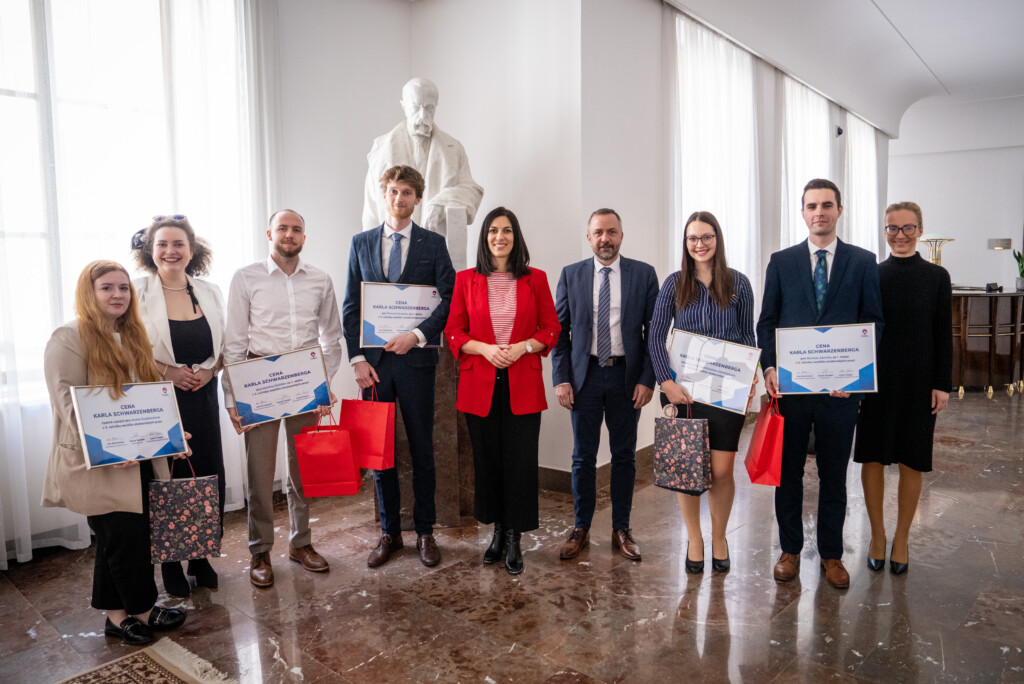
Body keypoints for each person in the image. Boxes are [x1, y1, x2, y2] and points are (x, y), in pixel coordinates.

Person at [43, 260, 187, 645]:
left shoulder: (134, 334)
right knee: (122, 538)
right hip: (101, 461)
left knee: (127, 537)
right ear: (89, 293)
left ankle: (116, 615)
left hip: (139, 457)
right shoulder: (68, 337)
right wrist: (110, 448)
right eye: (107, 287)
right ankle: (141, 610)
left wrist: (171, 433)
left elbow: (149, 397)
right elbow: (67, 404)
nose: (117, 294)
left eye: (124, 288)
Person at [756, 179, 884, 589]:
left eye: (827, 205)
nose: (819, 212)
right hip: (791, 391)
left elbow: (874, 322)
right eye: (812, 206)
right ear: (803, 212)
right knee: (787, 473)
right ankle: (789, 550)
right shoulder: (781, 262)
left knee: (833, 475)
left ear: (839, 210)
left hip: (840, 393)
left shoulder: (863, 262)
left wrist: (857, 375)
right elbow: (767, 322)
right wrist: (770, 368)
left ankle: (831, 554)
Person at [343, 165, 456, 568]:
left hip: (417, 362)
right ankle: (389, 533)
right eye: (393, 190)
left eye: (407, 192)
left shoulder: (434, 244)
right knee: (379, 453)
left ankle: (425, 531)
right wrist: (357, 359)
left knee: (423, 448)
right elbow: (352, 306)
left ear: (417, 198)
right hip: (374, 367)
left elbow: (449, 297)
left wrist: (418, 335)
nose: (399, 198)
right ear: (384, 194)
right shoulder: (360, 243)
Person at [222, 209, 342, 588]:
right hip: (260, 384)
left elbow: (332, 338)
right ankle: (259, 551)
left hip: (305, 382)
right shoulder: (246, 277)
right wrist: (232, 397)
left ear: (304, 237)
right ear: (269, 233)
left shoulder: (320, 279)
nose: (289, 234)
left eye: (297, 229)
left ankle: (300, 543)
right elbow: (234, 342)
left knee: (302, 468)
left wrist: (324, 383)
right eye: (283, 228)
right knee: (259, 473)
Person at [445, 207, 560, 574]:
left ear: (516, 236)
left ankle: (514, 538)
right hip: (479, 386)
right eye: (493, 230)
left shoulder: (536, 279)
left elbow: (551, 328)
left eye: (507, 230)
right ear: (485, 237)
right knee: (488, 463)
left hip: (522, 384)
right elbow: (454, 332)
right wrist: (485, 349)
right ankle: (496, 531)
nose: (500, 237)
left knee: (520, 464)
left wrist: (524, 346)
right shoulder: (465, 280)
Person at [649, 211, 757, 574]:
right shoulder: (674, 284)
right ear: (685, 243)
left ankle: (720, 536)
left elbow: (747, 337)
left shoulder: (739, 283)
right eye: (693, 238)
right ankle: (695, 539)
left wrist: (750, 377)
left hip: (727, 393)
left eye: (706, 236)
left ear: (717, 239)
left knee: (722, 470)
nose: (700, 244)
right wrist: (665, 381)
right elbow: (655, 336)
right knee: (687, 469)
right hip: (684, 393)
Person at [552, 208, 658, 562]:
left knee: (624, 455)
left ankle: (621, 529)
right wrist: (561, 379)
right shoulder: (571, 275)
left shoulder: (643, 275)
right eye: (598, 232)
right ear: (589, 238)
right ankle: (580, 527)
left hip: (626, 377)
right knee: (583, 457)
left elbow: (653, 334)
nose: (605, 238)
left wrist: (647, 379)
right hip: (584, 378)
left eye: (611, 232)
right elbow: (559, 334)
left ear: (621, 236)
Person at [854, 201, 952, 575]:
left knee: (913, 458)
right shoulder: (872, 275)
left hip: (919, 382)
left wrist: (942, 384)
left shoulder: (937, 277)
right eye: (892, 228)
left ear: (920, 231)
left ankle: (902, 538)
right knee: (872, 457)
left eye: (908, 228)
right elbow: (860, 332)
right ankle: (877, 536)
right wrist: (856, 382)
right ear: (885, 232)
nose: (900, 235)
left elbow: (943, 333)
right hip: (876, 382)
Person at [132, 215, 226, 597]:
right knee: (167, 479)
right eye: (162, 244)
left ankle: (200, 557)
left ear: (191, 250)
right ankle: (171, 562)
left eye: (178, 244)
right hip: (160, 400)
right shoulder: (137, 291)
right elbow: (129, 348)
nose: (170, 251)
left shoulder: (210, 291)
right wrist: (168, 372)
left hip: (203, 397)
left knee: (205, 473)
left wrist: (209, 371)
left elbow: (225, 345)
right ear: (150, 251)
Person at [362, 77, 484, 235]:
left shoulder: (454, 149)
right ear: (404, 106)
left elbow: (472, 190)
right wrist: (370, 247)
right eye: (416, 107)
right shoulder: (380, 149)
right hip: (392, 243)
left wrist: (441, 203)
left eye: (429, 108)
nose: (423, 115)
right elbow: (371, 211)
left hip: (436, 242)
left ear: (436, 106)